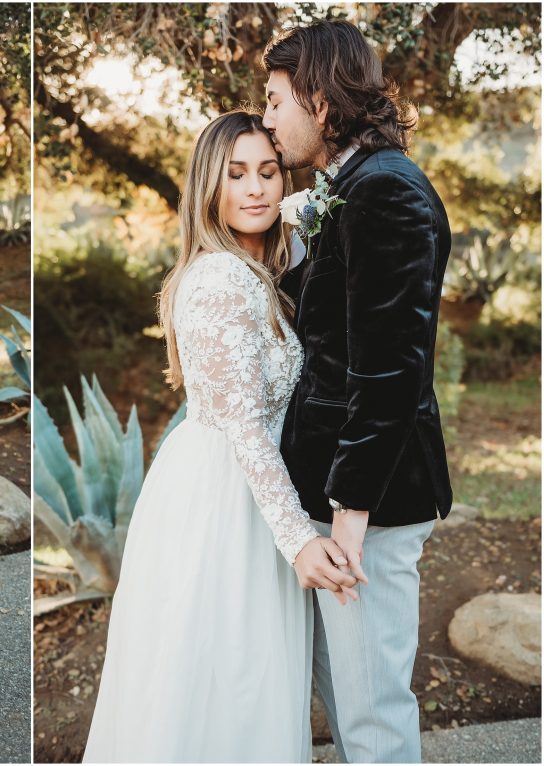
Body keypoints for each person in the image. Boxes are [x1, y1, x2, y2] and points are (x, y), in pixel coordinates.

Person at [82, 110, 362, 763]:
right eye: (235, 175)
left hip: (256, 490)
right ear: (210, 185)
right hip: (219, 499)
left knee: (247, 681)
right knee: (220, 676)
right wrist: (298, 540)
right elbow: (243, 425)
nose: (256, 189)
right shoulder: (216, 280)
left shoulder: (262, 269)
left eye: (268, 172)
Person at [264, 20, 453, 763]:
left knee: (372, 716)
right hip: (335, 498)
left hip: (370, 507)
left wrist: (348, 517)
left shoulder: (386, 192)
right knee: (345, 706)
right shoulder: (351, 185)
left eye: (276, 100)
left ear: (319, 99)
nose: (270, 117)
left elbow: (389, 372)